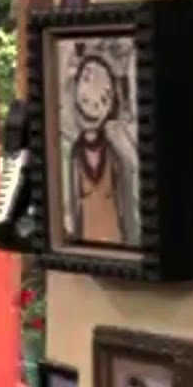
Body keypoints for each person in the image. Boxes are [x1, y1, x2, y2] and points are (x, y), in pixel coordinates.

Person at [64, 52, 140, 247]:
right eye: (86, 81)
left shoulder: (115, 154)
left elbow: (126, 203)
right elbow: (72, 205)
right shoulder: (74, 154)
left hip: (115, 240)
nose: (92, 104)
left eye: (103, 98)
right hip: (86, 242)